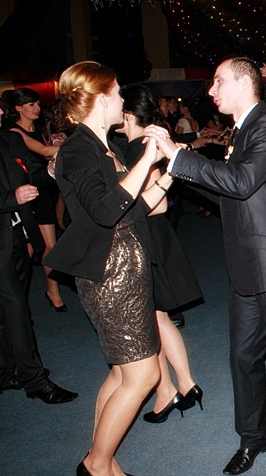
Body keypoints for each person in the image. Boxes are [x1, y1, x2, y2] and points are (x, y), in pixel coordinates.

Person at [152, 57, 266, 476]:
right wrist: (179, 173)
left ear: (245, 83)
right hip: (249, 264)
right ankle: (254, 436)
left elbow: (241, 182)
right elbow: (233, 194)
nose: (211, 90)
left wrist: (179, 156)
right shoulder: (244, 129)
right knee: (243, 358)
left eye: (218, 81)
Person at [45, 61, 166, 476]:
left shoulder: (102, 145)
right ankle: (95, 465)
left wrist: (169, 173)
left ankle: (106, 462)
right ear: (99, 98)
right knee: (143, 375)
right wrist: (146, 158)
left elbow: (132, 210)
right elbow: (103, 211)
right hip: (111, 275)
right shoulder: (79, 149)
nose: (121, 100)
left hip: (125, 267)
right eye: (116, 93)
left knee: (121, 372)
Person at [117, 85, 204, 423]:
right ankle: (181, 385)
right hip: (151, 236)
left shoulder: (139, 146)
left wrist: (122, 207)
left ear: (127, 114)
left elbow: (159, 204)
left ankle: (173, 388)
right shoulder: (139, 143)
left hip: (147, 236)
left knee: (153, 319)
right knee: (157, 318)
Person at [0, 126, 77, 404]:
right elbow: (13, 193)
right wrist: (11, 198)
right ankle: (34, 380)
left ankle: (5, 370)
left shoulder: (10, 139)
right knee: (17, 310)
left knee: (9, 309)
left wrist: (51, 170)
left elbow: (33, 171)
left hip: (17, 235)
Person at [2, 88, 66, 311]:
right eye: (31, 105)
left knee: (48, 246)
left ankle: (51, 291)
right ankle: (20, 297)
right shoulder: (14, 132)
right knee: (29, 249)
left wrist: (59, 141)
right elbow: (45, 151)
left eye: (38, 104)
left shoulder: (36, 129)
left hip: (42, 190)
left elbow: (46, 153)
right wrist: (65, 146)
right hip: (24, 194)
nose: (37, 108)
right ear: (18, 108)